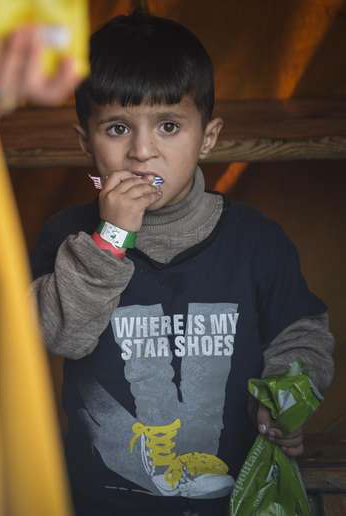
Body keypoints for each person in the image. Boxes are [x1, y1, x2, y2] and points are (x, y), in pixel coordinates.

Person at [29, 11, 335, 516]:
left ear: (208, 138)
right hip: (99, 502)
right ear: (86, 143)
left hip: (232, 500)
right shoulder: (67, 235)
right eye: (117, 128)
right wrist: (110, 239)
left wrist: (283, 400)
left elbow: (302, 333)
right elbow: (60, 335)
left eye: (169, 126)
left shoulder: (256, 240)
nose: (142, 152)